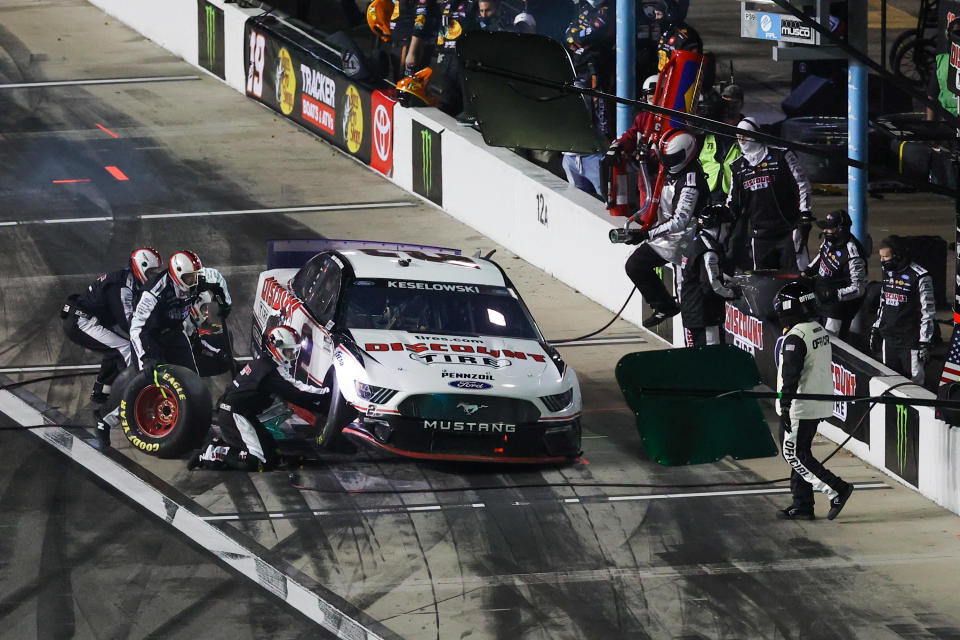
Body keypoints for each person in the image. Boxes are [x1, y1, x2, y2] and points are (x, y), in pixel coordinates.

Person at [188, 325, 330, 471]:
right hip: (235, 415)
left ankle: (227, 446)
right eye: (289, 351)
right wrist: (327, 393)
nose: (292, 356)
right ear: (277, 348)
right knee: (257, 461)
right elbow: (297, 392)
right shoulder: (270, 371)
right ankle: (211, 453)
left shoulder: (264, 361)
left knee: (272, 452)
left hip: (240, 413)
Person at [773, 281, 854, 520]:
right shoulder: (818, 330)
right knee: (801, 454)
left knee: (794, 455)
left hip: (799, 407)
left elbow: (790, 375)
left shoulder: (795, 337)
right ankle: (803, 505)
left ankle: (836, 488)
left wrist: (785, 406)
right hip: (817, 403)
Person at [622, 129, 707, 327]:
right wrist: (643, 158)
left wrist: (645, 234)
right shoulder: (668, 168)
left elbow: (680, 222)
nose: (667, 162)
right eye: (665, 158)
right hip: (667, 233)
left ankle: (689, 329)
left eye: (672, 158)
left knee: (685, 293)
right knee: (635, 265)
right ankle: (665, 306)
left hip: (686, 238)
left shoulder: (691, 182)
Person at [61, 247, 162, 403]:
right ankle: (138, 391)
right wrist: (150, 337)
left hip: (84, 319)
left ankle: (102, 392)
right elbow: (127, 322)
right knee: (127, 348)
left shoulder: (128, 279)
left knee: (115, 347)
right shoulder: (123, 286)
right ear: (141, 267)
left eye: (156, 272)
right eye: (151, 272)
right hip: (81, 321)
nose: (153, 276)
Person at [726, 117, 813, 272]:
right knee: (763, 284)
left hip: (788, 231)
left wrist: (805, 214)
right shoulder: (737, 167)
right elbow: (733, 201)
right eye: (738, 137)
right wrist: (723, 217)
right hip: (759, 236)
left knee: (798, 277)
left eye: (744, 136)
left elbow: (802, 183)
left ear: (755, 134)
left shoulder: (782, 155)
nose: (741, 140)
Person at [130, 250, 232, 375]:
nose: (194, 281)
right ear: (178, 275)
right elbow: (137, 328)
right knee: (153, 376)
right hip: (150, 336)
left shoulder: (199, 279)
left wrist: (225, 303)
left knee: (190, 374)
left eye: (195, 275)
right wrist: (145, 357)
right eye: (189, 277)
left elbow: (218, 279)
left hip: (175, 330)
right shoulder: (152, 294)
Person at [870, 236, 936, 384]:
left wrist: (924, 341)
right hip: (889, 338)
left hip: (910, 341)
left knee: (915, 384)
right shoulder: (887, 271)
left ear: (898, 255)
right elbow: (883, 301)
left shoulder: (920, 276)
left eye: (885, 256)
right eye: (881, 256)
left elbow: (928, 311)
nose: (882, 260)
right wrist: (876, 327)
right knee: (890, 381)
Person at [679, 204, 740, 346]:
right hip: (705, 316)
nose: (727, 233)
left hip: (693, 313)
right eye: (726, 227)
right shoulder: (709, 251)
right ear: (717, 227)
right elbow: (711, 286)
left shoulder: (696, 242)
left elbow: (700, 275)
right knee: (712, 360)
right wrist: (732, 293)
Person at [802, 209, 867, 337]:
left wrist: (833, 294)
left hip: (838, 310)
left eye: (829, 228)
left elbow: (859, 289)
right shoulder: (830, 240)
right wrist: (807, 271)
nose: (825, 231)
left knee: (832, 346)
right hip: (822, 300)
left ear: (840, 229)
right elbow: (822, 256)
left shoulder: (853, 255)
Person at [698, 84, 744, 205]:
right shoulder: (710, 126)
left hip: (734, 192)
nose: (730, 107)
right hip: (708, 188)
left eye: (734, 103)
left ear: (741, 104)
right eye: (726, 102)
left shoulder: (746, 129)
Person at [925, 17, 960, 121]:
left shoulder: (942, 61)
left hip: (948, 122)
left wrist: (930, 128)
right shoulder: (941, 60)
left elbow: (931, 97)